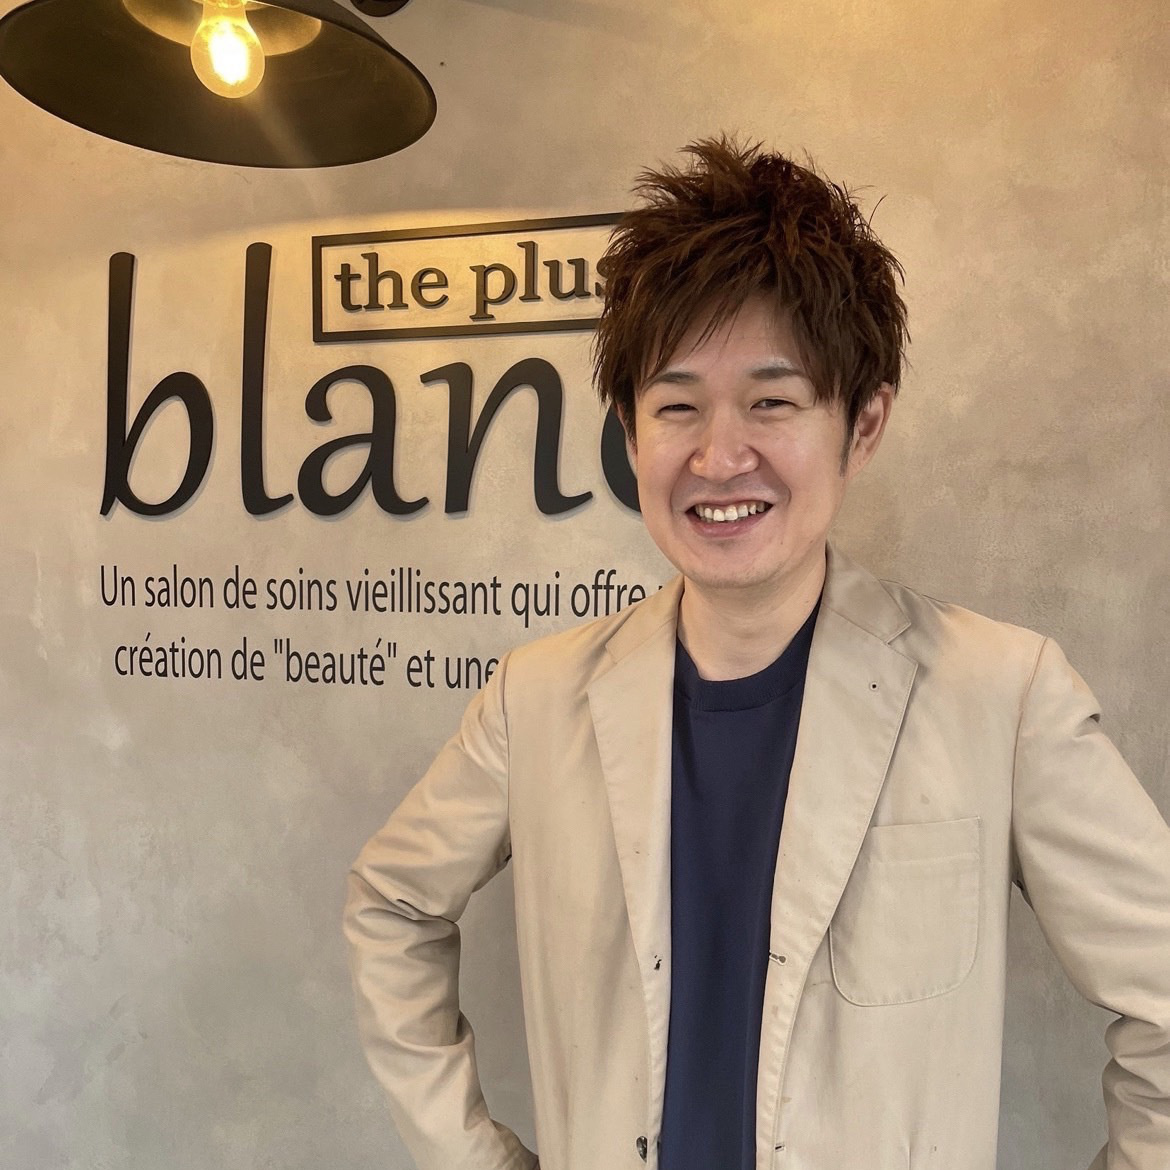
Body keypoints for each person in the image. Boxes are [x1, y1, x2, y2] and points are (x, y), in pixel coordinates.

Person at [343, 138, 1170, 1170]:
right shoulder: (535, 699)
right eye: (676, 405)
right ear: (629, 432)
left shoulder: (1001, 695)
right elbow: (390, 904)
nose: (719, 455)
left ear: (862, 425)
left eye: (772, 402)